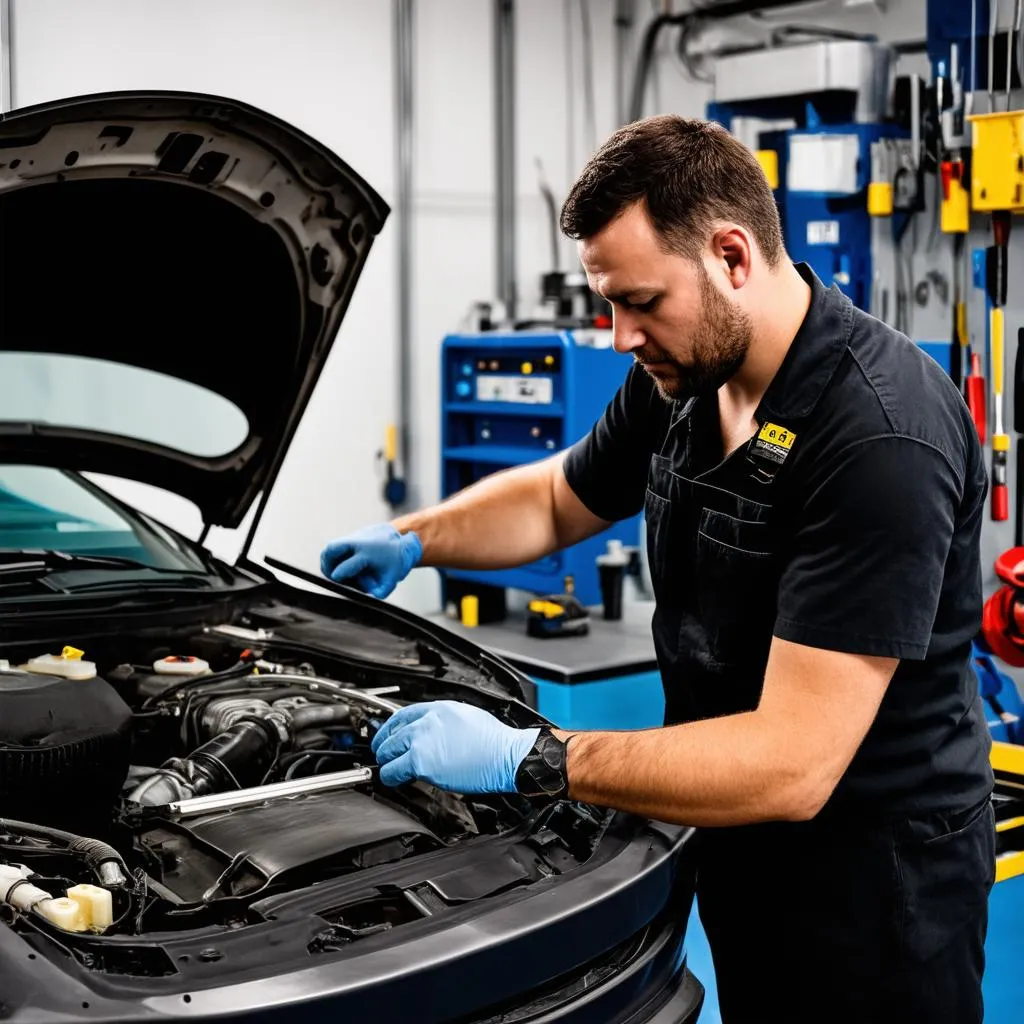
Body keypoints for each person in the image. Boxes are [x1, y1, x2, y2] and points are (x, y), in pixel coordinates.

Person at [319, 115, 995, 1023]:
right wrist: (413, 537)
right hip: (737, 842)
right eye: (607, 304)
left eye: (637, 301)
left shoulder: (878, 433)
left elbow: (793, 764)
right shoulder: (690, 371)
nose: (617, 335)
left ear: (731, 255)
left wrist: (535, 758)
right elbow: (561, 498)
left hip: (875, 886)